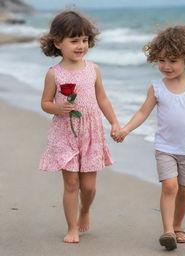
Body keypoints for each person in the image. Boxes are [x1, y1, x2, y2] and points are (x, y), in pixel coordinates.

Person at [113, 25, 185, 250]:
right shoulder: (156, 88)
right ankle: (167, 231)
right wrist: (126, 129)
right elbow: (143, 112)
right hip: (165, 148)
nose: (166, 66)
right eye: (162, 60)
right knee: (170, 186)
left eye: (173, 60)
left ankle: (177, 226)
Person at [39, 10, 119, 243]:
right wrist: (57, 108)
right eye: (74, 41)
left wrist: (114, 122)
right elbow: (45, 103)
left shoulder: (93, 69)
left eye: (84, 40)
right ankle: (72, 227)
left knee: (89, 187)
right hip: (64, 133)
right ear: (57, 43)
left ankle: (85, 210)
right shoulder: (54, 74)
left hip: (91, 132)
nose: (81, 45)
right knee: (71, 183)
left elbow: (102, 98)